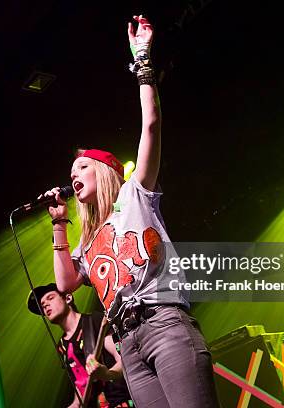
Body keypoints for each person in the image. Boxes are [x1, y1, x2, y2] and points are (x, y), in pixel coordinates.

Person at [41, 15, 220, 408]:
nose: (73, 175)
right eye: (71, 172)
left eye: (81, 167)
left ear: (104, 171)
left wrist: (142, 60)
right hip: (129, 343)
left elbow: (152, 125)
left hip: (164, 324)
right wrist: (59, 225)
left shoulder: (135, 194)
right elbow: (66, 284)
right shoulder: (88, 242)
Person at [27, 283, 132, 408]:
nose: (46, 305)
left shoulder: (94, 320)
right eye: (43, 305)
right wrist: (75, 404)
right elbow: (81, 384)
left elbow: (123, 360)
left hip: (120, 402)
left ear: (68, 298)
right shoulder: (62, 347)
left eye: (50, 298)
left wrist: (107, 374)